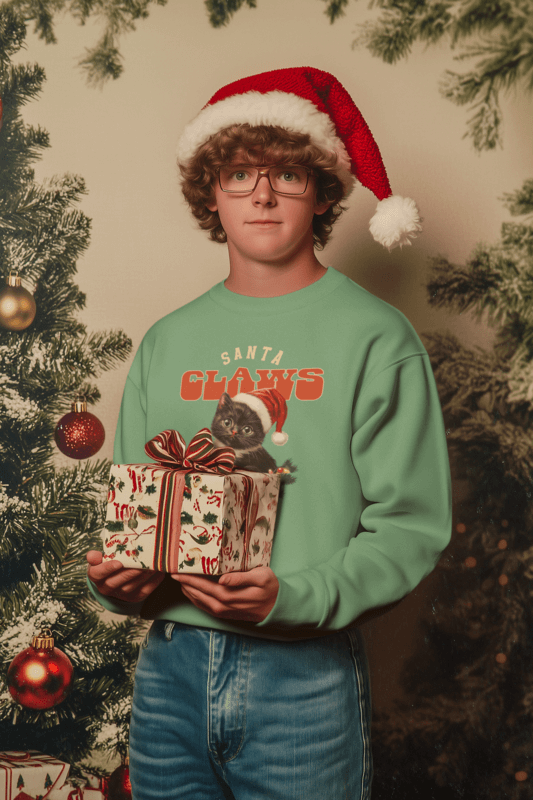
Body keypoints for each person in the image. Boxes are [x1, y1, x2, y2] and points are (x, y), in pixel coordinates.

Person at [86, 66, 452, 800]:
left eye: (286, 173)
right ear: (209, 194)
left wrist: (292, 598)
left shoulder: (375, 336)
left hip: (303, 674)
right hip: (168, 670)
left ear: (321, 191)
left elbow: (410, 528)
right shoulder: (166, 340)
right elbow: (137, 509)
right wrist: (123, 582)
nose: (260, 193)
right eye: (239, 173)